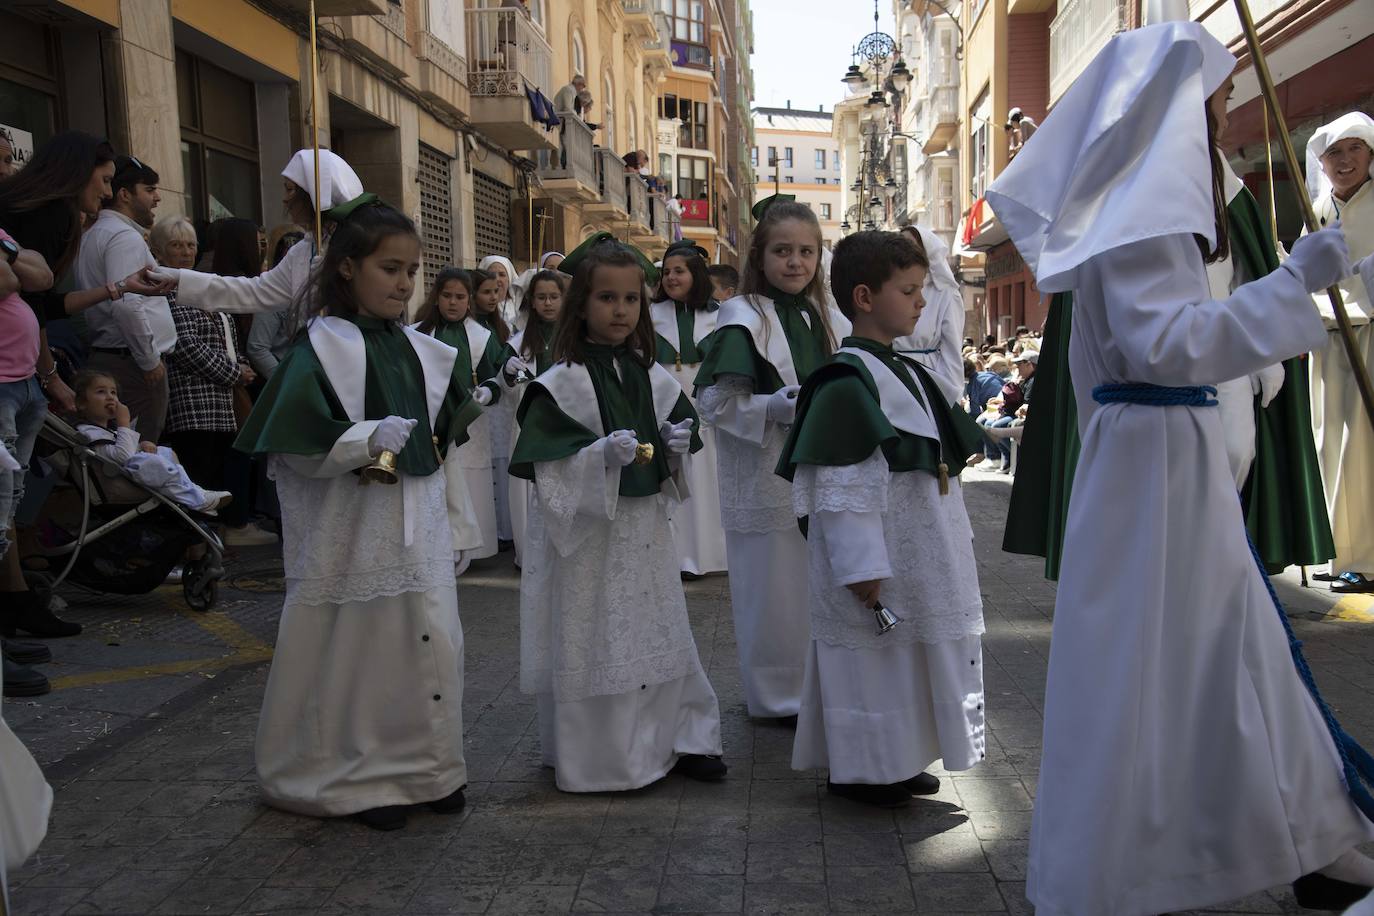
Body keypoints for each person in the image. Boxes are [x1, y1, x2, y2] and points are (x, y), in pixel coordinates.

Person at [985, 14, 1374, 914]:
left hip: (1166, 463)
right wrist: (1292, 285)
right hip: (1152, 471)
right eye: (1219, 101)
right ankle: (1133, 870)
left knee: (1231, 653)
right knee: (1160, 668)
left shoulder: (1140, 212)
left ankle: (1311, 835)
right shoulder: (1141, 219)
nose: (1229, 117)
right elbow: (1164, 343)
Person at [234, 201, 479, 832]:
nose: (403, 283)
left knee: (431, 637)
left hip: (414, 524)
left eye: (411, 271)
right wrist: (363, 439)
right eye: (390, 268)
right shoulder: (319, 349)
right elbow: (292, 444)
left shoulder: (420, 351)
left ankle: (429, 768)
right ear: (347, 269)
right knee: (364, 646)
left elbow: (439, 435)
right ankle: (360, 773)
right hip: (354, 530)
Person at [777, 230, 987, 808]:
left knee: (906, 660)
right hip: (882, 556)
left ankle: (899, 757)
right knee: (871, 663)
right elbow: (842, 486)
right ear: (865, 297)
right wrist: (860, 567)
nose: (923, 301)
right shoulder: (848, 381)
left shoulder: (908, 372)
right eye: (910, 290)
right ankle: (865, 767)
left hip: (918, 545)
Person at [509, 235, 725, 792]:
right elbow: (547, 474)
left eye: (631, 299)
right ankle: (608, 755)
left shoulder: (650, 377)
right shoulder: (558, 385)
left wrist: (676, 446)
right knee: (599, 629)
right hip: (589, 538)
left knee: (657, 624)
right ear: (581, 304)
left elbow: (678, 440)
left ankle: (678, 735)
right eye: (608, 298)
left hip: (644, 530)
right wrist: (595, 459)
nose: (621, 310)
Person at [0, 131, 170, 641]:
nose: (106, 191)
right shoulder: (53, 215)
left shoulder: (52, 221)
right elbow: (23, 287)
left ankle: (17, 600)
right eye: (104, 180)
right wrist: (51, 375)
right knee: (7, 495)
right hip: (15, 375)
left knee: (12, 497)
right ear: (78, 174)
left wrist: (48, 373)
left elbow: (41, 295)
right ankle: (15, 605)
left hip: (25, 373)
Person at [694, 196, 850, 721]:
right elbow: (714, 403)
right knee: (772, 595)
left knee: (810, 591)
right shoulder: (741, 316)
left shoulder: (817, 315)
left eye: (807, 252)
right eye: (782, 251)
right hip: (762, 478)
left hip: (814, 474)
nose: (795, 263)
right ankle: (777, 698)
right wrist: (770, 406)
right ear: (759, 256)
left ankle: (815, 690)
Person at [153, 149, 364, 317]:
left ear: (313, 195)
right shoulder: (301, 252)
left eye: (290, 189)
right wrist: (175, 278)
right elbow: (253, 292)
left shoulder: (359, 244)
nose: (285, 199)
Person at [1306, 112, 1374, 594]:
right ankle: (1337, 552)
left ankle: (1366, 560)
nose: (1344, 160)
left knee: (1360, 450)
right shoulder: (1318, 210)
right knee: (1328, 447)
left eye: (1355, 148)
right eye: (1334, 153)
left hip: (1369, 338)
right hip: (1326, 343)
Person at [148, 217, 251, 513]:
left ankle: (216, 539)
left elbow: (227, 334)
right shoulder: (165, 290)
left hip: (222, 401)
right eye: (176, 245)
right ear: (159, 251)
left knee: (221, 473)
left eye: (190, 245)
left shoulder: (200, 285)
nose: (185, 252)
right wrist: (235, 373)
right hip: (193, 400)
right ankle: (198, 543)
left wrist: (241, 365)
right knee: (197, 474)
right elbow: (185, 345)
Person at [75, 154, 176, 442]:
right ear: (124, 194)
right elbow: (127, 304)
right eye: (149, 189)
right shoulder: (123, 236)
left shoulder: (98, 233)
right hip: (131, 362)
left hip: (120, 357)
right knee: (140, 453)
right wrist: (149, 360)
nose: (157, 198)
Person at [413, 267, 505, 568]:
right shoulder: (417, 334)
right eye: (447, 296)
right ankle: (437, 544)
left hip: (470, 422)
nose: (453, 302)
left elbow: (496, 376)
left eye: (460, 297)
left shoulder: (482, 337)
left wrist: (488, 392)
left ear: (470, 302)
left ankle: (472, 547)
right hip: (430, 420)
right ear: (436, 297)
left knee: (470, 477)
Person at [0, 235, 56, 696]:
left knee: (8, 509)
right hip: (1, 387)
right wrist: (14, 267)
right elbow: (8, 279)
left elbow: (41, 276)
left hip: (22, 382)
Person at [651, 239, 726, 576]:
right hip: (664, 401)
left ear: (695, 273)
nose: (671, 278)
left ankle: (709, 555)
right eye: (666, 272)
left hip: (706, 405)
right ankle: (674, 555)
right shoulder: (650, 314)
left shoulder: (721, 315)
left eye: (679, 271)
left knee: (706, 478)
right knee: (673, 476)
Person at [71, 369, 231, 513]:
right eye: (101, 392)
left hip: (126, 472)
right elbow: (123, 456)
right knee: (156, 464)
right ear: (82, 403)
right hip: (117, 481)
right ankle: (197, 499)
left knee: (165, 452)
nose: (110, 397)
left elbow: (121, 450)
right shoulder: (88, 432)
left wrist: (140, 446)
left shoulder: (107, 430)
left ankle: (196, 493)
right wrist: (124, 423)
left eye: (113, 392)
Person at [503, 268, 565, 564]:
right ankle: (528, 553)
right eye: (541, 297)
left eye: (554, 296)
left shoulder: (574, 338)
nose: (548, 303)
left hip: (564, 420)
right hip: (527, 420)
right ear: (532, 301)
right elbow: (503, 382)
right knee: (527, 487)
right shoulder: (518, 343)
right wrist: (509, 373)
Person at [894, 225, 966, 406]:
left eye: (910, 245)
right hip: (891, 374)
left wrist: (952, 399)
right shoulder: (890, 288)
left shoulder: (945, 293)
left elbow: (952, 352)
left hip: (927, 378)